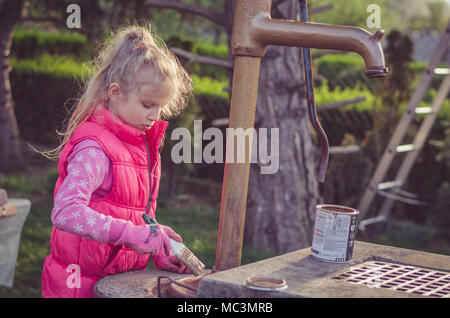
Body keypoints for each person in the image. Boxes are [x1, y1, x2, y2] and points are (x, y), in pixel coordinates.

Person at [40, 24, 193, 298]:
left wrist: (154, 240)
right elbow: (66, 212)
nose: (155, 116)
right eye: (148, 105)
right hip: (78, 288)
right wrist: (133, 235)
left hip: (113, 284)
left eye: (161, 107)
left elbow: (126, 212)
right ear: (115, 92)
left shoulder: (135, 144)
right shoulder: (95, 150)